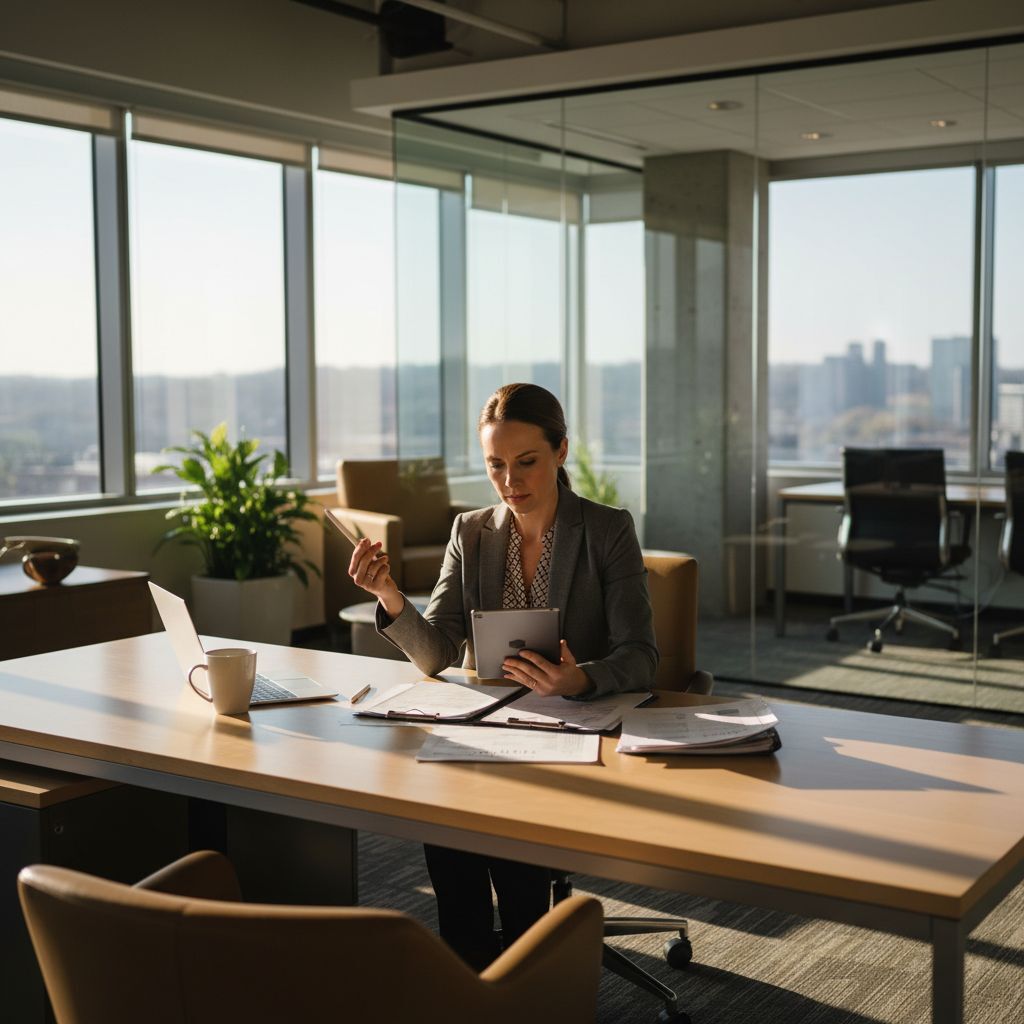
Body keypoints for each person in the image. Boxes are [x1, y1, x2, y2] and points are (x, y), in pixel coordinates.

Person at [348, 382, 658, 969]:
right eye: (495, 465)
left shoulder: (607, 530)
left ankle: (530, 972)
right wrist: (388, 594)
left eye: (526, 462)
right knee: (446, 825)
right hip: (491, 727)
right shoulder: (471, 532)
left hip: (574, 730)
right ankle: (469, 976)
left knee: (513, 834)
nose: (510, 481)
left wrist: (579, 679)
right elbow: (438, 651)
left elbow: (642, 656)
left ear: (561, 451)